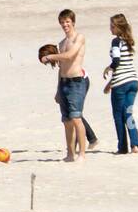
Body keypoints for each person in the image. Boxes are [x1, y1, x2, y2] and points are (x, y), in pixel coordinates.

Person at [39, 9, 98, 151]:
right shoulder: (61, 43)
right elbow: (61, 68)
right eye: (62, 22)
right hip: (64, 82)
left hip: (77, 81)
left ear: (73, 22)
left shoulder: (79, 38)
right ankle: (70, 154)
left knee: (77, 117)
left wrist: (50, 57)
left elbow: (70, 56)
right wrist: (58, 91)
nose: (65, 24)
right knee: (67, 121)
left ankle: (83, 152)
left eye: (67, 21)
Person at [104, 13, 138, 155]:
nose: (110, 29)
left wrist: (108, 68)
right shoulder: (129, 41)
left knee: (118, 115)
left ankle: (122, 147)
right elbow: (125, 65)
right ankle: (135, 143)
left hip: (121, 84)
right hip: (133, 81)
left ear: (118, 27)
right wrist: (109, 84)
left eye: (112, 26)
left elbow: (117, 62)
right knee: (128, 112)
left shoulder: (116, 42)